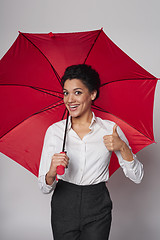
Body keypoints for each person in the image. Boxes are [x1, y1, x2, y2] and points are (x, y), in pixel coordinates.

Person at [38, 64, 144, 240]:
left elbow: (137, 177)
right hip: (64, 204)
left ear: (93, 94)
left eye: (77, 92)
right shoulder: (54, 131)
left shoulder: (110, 129)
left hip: (98, 203)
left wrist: (123, 147)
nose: (70, 99)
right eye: (66, 93)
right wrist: (51, 171)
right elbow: (44, 188)